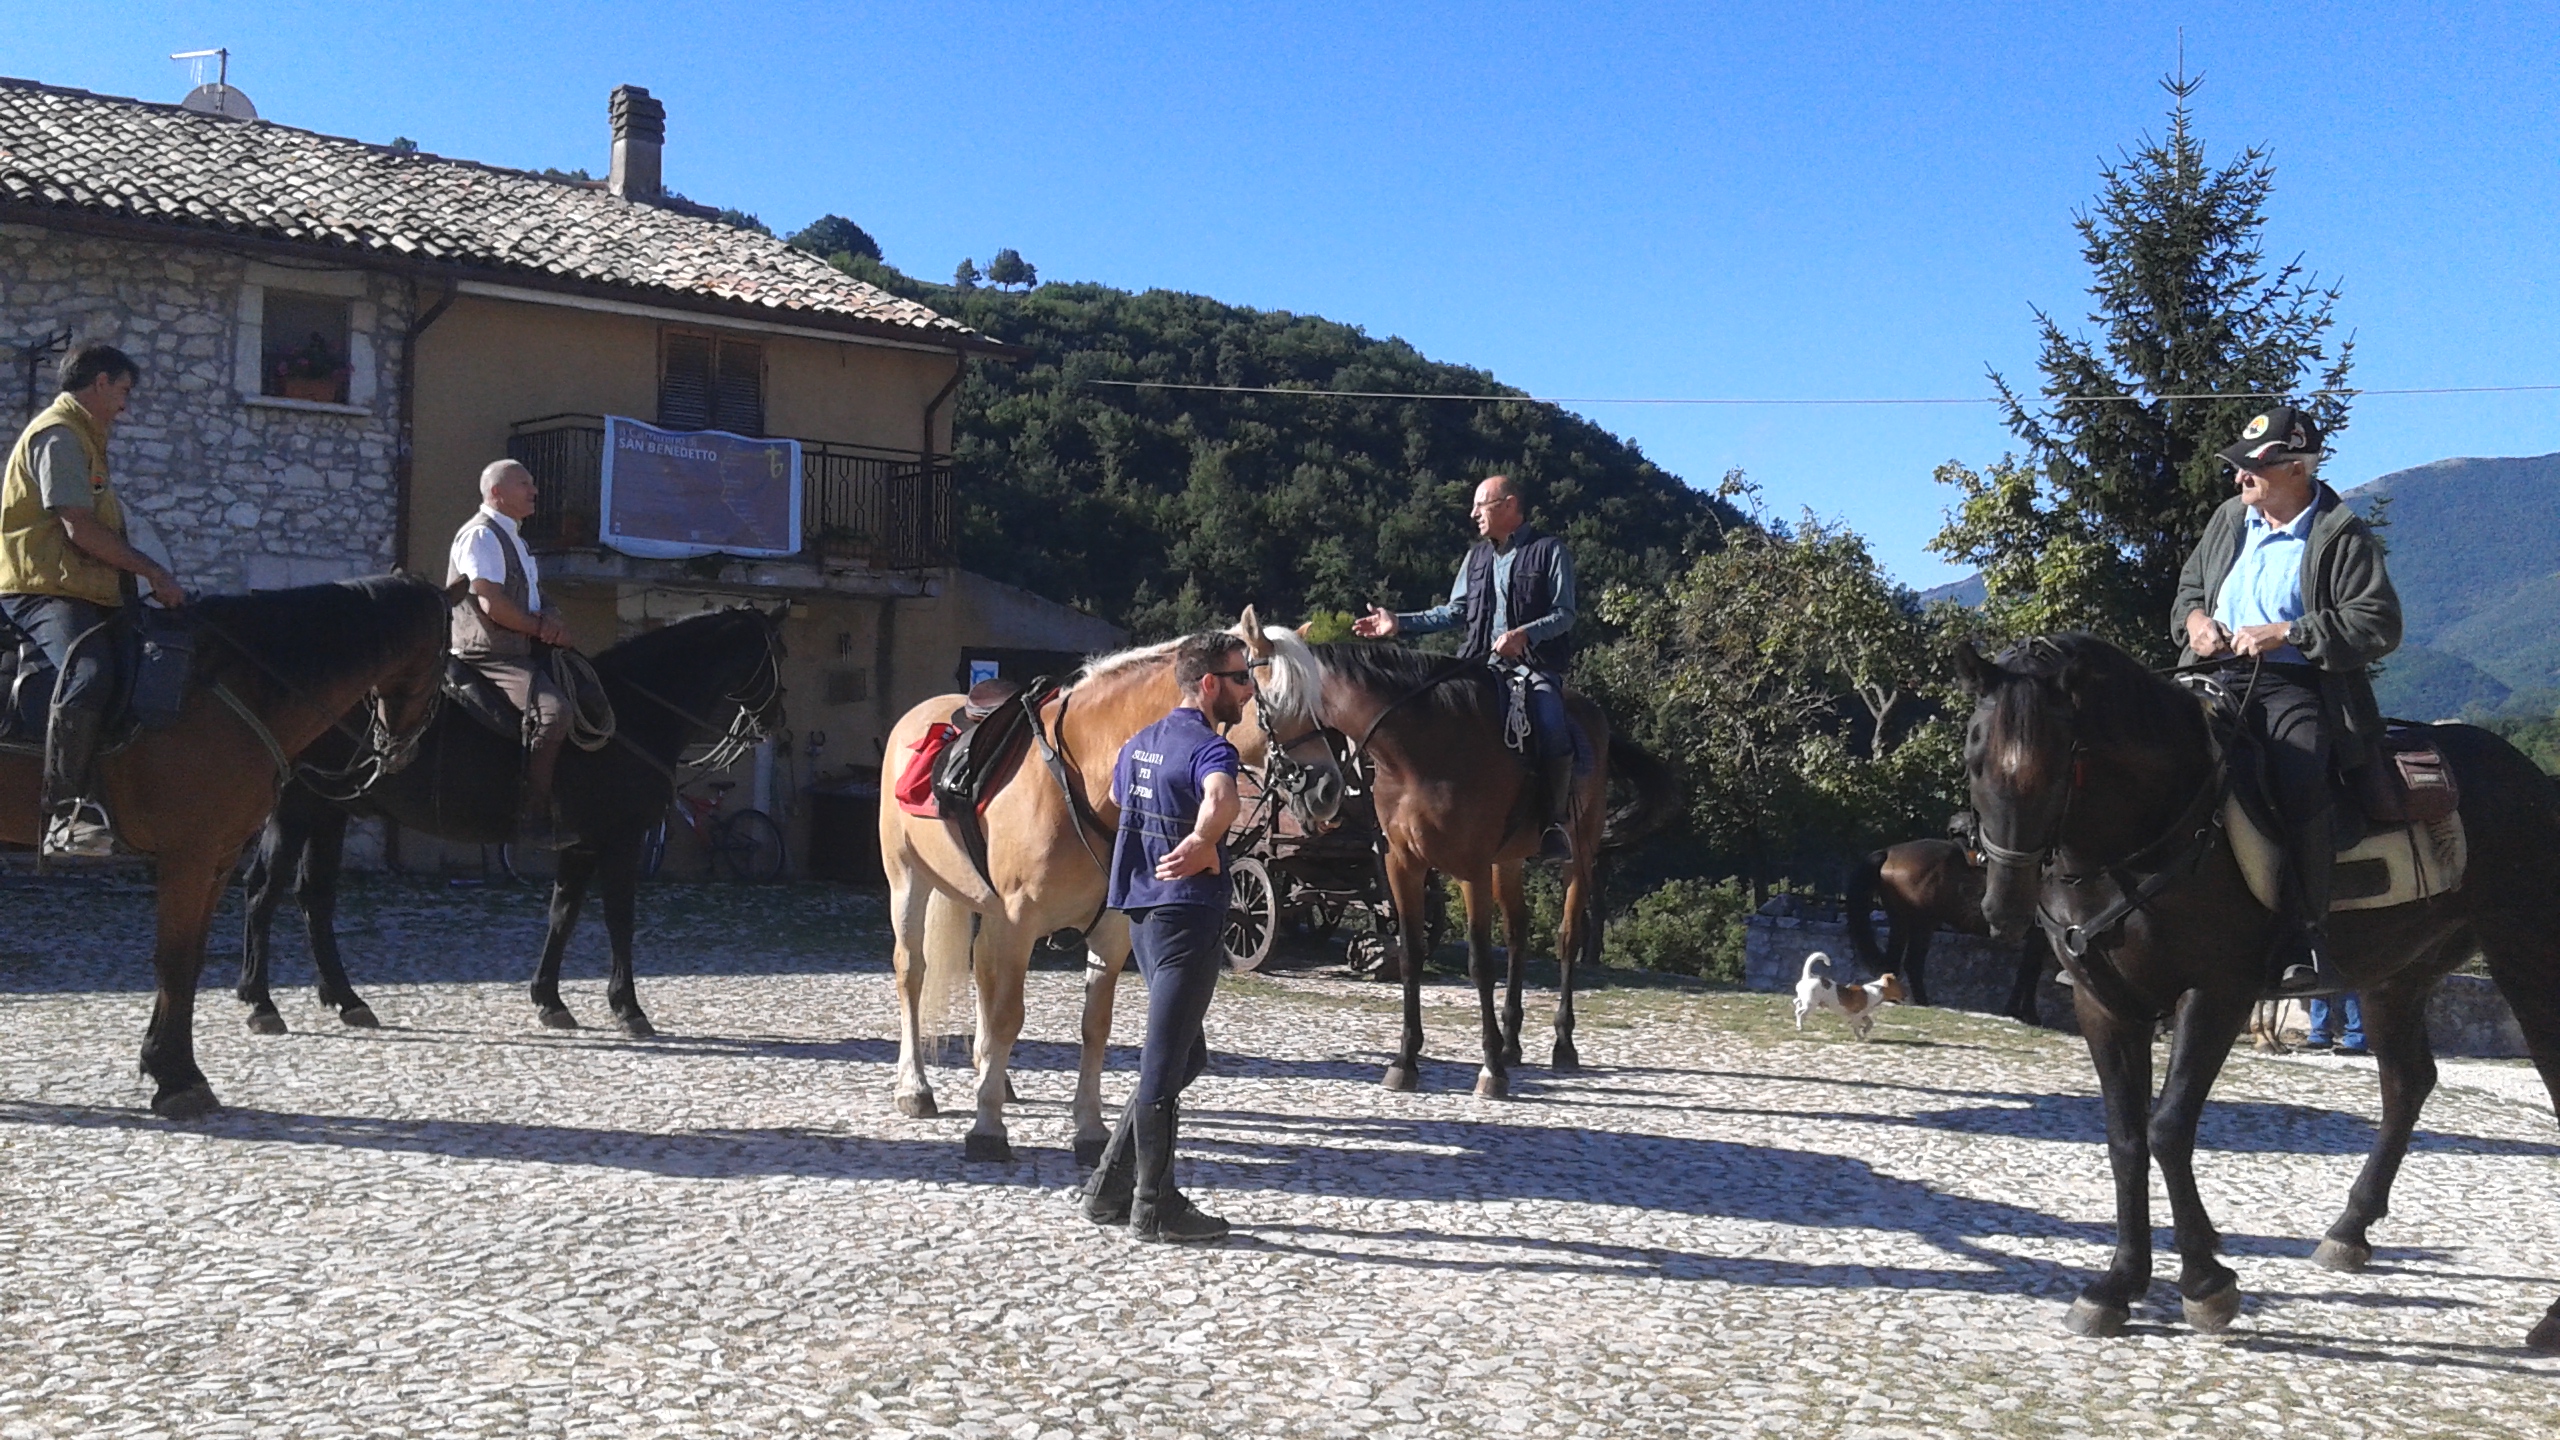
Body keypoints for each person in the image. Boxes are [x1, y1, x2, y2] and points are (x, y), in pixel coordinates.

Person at [2172, 404, 2402, 994]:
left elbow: (2378, 622)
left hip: (2291, 686)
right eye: (2238, 468)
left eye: (2253, 468)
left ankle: (2305, 933)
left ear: (2296, 468)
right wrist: (2197, 622)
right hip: (2209, 676)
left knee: (2298, 774)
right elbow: (2190, 592)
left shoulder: (2341, 533)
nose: (2238, 478)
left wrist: (2289, 633)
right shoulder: (2229, 520)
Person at [1078, 631, 1248, 1243]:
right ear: (1209, 685)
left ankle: (1105, 1189)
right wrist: (1204, 840)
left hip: (1142, 916)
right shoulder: (1211, 749)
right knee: (1162, 1066)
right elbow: (1221, 799)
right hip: (1188, 918)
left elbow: (1119, 799)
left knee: (1187, 1055)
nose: (1248, 689)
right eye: (1240, 677)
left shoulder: (1138, 745)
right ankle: (1154, 1205)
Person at [0, 344, 188, 857]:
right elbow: (79, 529)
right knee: (88, 673)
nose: (126, 404)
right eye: (124, 391)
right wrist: (152, 571)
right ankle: (66, 812)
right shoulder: (59, 437)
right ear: (100, 382)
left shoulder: (87, 439)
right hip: (41, 591)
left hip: (85, 591)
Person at [1351, 473, 1580, 857]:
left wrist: (1525, 634)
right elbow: (1453, 611)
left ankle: (1553, 823)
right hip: (1475, 666)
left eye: (1481, 505)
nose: (1473, 513)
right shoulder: (1476, 557)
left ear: (1509, 505)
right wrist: (1400, 622)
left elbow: (1565, 614)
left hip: (1531, 669)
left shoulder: (1549, 551)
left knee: (1551, 718)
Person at [447, 459, 575, 842]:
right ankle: (532, 811)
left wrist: (551, 616)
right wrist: (542, 629)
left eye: (532, 483)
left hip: (521, 650)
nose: (534, 491)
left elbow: (533, 596)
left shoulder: (513, 538)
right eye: (524, 484)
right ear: (497, 493)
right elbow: (493, 605)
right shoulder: (482, 536)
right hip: (488, 655)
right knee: (554, 713)